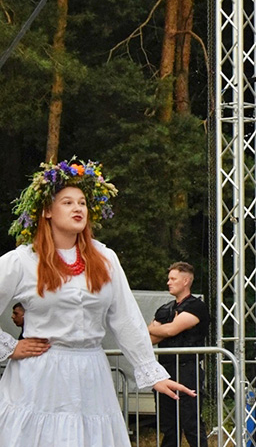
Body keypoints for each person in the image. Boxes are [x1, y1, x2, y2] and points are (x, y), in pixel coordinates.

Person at [0, 159, 191, 446]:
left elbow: (126, 319)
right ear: (47, 211)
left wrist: (151, 373)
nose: (78, 208)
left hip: (90, 376)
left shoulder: (104, 259)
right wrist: (11, 347)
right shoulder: (23, 260)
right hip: (38, 377)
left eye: (82, 203)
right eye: (67, 202)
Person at [149, 261, 210, 447]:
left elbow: (169, 331)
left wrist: (164, 328)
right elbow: (149, 337)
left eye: (173, 278)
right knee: (168, 425)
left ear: (185, 281)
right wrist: (165, 328)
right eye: (169, 278)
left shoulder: (196, 306)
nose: (168, 282)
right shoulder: (165, 309)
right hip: (165, 370)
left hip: (187, 369)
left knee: (191, 421)